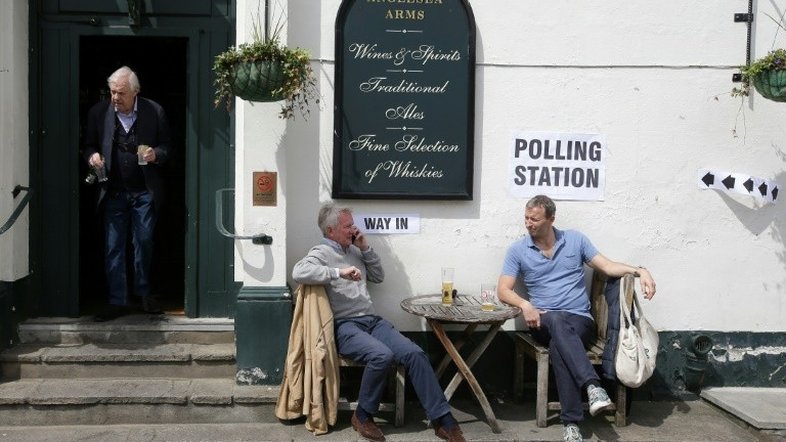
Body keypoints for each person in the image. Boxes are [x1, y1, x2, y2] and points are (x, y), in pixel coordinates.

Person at [292, 203, 466, 442]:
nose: (353, 228)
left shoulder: (354, 250)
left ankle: (442, 420)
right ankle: (362, 416)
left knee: (415, 353)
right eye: (348, 225)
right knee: (381, 356)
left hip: (372, 321)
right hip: (345, 326)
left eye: (353, 224)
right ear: (331, 231)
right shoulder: (321, 252)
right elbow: (299, 272)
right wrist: (337, 273)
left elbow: (378, 276)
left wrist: (365, 248)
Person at [497, 195, 656, 442]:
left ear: (551, 219)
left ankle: (571, 423)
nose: (528, 224)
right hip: (543, 320)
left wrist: (640, 270)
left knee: (560, 346)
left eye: (535, 219)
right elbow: (503, 290)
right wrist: (524, 304)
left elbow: (608, 266)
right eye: (526, 218)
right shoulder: (518, 250)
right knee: (556, 322)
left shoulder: (575, 240)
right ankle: (593, 386)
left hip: (580, 320)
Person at [84, 66, 171, 322]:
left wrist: (157, 154)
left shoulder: (154, 111)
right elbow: (88, 144)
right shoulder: (98, 113)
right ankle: (117, 301)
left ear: (135, 92)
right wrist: (92, 156)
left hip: (143, 191)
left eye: (121, 93)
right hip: (113, 191)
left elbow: (168, 146)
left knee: (143, 242)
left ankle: (144, 294)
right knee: (114, 246)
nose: (115, 98)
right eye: (112, 92)